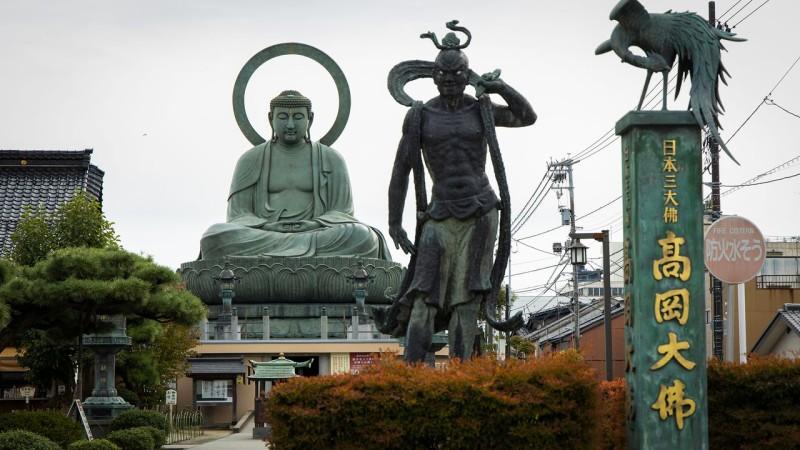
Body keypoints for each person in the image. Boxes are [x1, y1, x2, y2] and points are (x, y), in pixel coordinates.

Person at [381, 25, 535, 362]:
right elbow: (401, 169)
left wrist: (501, 87)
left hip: (480, 210)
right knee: (423, 296)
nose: (449, 78)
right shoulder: (420, 115)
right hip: (438, 213)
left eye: (457, 72)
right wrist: (395, 223)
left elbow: (526, 117)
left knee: (467, 299)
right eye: (442, 72)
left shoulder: (480, 109)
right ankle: (412, 375)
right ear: (433, 76)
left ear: (468, 75)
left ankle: (465, 373)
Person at [200, 90, 390, 260]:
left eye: (298, 117)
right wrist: (266, 227)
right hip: (265, 234)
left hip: (317, 233)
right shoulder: (250, 159)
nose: (290, 124)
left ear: (310, 119)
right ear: (270, 119)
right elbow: (238, 214)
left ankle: (270, 261)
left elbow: (342, 213)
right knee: (214, 236)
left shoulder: (331, 159)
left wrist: (313, 225)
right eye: (282, 116)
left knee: (361, 236)